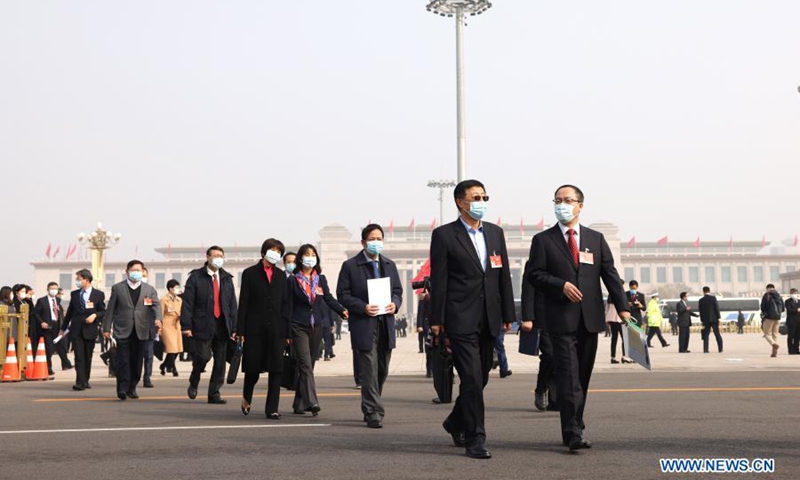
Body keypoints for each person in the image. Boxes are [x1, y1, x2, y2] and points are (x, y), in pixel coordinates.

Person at [526, 184, 630, 452]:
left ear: (580, 205)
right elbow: (534, 275)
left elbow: (610, 274)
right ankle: (573, 431)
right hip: (559, 319)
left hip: (590, 319)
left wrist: (623, 307)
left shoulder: (595, 239)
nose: (562, 204)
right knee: (568, 376)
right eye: (558, 200)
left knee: (582, 377)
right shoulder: (543, 240)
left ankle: (574, 424)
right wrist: (559, 285)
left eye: (568, 200)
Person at [430, 179, 515, 459]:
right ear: (460, 202)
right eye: (475, 197)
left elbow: (502, 275)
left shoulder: (494, 233)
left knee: (481, 380)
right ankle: (475, 438)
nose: (481, 201)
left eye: (484, 196)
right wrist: (437, 318)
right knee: (471, 379)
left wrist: (508, 315)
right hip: (460, 317)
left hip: (489, 317)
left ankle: (454, 422)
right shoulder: (444, 235)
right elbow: (440, 279)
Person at [337, 224, 403, 429]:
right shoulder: (350, 266)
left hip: (385, 323)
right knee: (368, 368)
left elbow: (398, 291)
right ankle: (373, 410)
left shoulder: (389, 265)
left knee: (382, 369)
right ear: (363, 242)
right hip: (364, 324)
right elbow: (343, 295)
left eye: (379, 238)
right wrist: (363, 307)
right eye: (372, 239)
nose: (376, 242)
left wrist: (395, 303)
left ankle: (373, 402)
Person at [288, 243, 348, 416]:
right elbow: (288, 306)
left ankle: (299, 403)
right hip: (298, 326)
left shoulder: (320, 279)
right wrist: (286, 332)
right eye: (307, 254)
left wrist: (342, 310)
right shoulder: (292, 280)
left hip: (317, 326)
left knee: (310, 365)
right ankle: (312, 402)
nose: (310, 257)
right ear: (300, 258)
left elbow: (328, 298)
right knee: (305, 364)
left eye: (313, 254)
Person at [236, 238, 292, 420]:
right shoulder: (249, 273)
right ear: (263, 252)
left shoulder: (281, 275)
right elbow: (243, 303)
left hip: (277, 330)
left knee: (276, 370)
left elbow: (286, 305)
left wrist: (287, 332)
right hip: (254, 329)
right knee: (253, 369)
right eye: (272, 250)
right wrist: (240, 330)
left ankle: (272, 409)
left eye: (279, 251)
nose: (275, 254)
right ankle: (247, 397)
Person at [181, 246, 238, 404]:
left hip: (222, 325)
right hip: (203, 324)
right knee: (203, 356)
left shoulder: (227, 278)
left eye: (221, 255)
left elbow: (232, 304)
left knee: (220, 362)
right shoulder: (196, 277)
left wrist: (235, 328)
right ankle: (194, 379)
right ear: (207, 257)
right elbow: (188, 303)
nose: (219, 258)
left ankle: (214, 393)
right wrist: (186, 326)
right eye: (215, 255)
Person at [102, 260, 162, 400]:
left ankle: (132, 387)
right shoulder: (118, 288)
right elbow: (110, 309)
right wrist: (106, 328)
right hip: (123, 329)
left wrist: (158, 319)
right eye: (133, 270)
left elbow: (156, 306)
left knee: (137, 361)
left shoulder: (149, 289)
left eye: (139, 270)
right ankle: (122, 388)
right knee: (123, 360)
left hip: (142, 330)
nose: (136, 273)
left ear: (143, 272)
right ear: (127, 271)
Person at [520, 260, 558, 412]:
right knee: (549, 355)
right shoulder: (534, 262)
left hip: (563, 317)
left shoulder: (566, 258)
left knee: (561, 358)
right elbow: (527, 290)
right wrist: (527, 317)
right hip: (541, 318)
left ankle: (556, 400)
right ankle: (541, 388)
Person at [60, 269, 106, 391]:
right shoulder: (74, 294)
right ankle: (79, 382)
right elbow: (69, 312)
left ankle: (85, 380)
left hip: (90, 330)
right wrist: (63, 328)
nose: (77, 282)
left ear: (86, 280)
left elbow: (103, 311)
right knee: (78, 356)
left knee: (87, 356)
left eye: (79, 279)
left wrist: (95, 315)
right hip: (76, 330)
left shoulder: (98, 294)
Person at [32, 282, 62, 377]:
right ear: (48, 289)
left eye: (55, 288)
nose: (54, 290)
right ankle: (48, 368)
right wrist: (41, 322)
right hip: (46, 326)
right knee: (48, 348)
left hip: (56, 326)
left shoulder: (58, 299)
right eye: (52, 288)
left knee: (53, 348)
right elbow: (35, 313)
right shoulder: (42, 301)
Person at [159, 280, 183, 376]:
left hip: (176, 325)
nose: (178, 290)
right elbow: (160, 314)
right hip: (167, 325)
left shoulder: (179, 300)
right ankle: (173, 369)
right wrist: (159, 328)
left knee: (177, 349)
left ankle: (164, 365)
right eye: (176, 288)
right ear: (170, 289)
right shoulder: (164, 299)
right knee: (171, 348)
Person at [607, 278, 632, 364]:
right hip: (620, 319)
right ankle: (624, 356)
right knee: (624, 338)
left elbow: (608, 308)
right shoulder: (619, 294)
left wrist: (606, 318)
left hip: (612, 319)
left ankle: (613, 357)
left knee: (614, 338)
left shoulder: (610, 294)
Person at [139, 267, 157, 388]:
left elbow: (155, 308)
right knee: (135, 356)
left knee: (149, 355)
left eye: (145, 275)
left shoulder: (150, 291)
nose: (143, 277)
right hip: (134, 329)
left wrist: (158, 322)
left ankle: (147, 377)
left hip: (148, 328)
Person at [760, 284, 784, 358]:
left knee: (766, 333)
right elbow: (783, 308)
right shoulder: (779, 296)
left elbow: (763, 307)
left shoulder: (766, 295)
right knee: (775, 335)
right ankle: (774, 353)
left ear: (767, 288)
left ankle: (773, 344)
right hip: (777, 318)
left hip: (769, 317)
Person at [698, 286, 723, 353]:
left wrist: (702, 320)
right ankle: (720, 349)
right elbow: (716, 308)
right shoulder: (713, 298)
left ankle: (705, 349)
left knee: (706, 335)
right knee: (717, 334)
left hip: (706, 320)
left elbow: (701, 311)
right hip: (714, 319)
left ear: (703, 291)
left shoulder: (701, 300)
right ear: (709, 291)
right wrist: (718, 318)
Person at [416, 292, 433, 377]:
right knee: (429, 348)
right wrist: (419, 325)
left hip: (438, 325)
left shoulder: (440, 296)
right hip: (427, 326)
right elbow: (420, 313)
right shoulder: (424, 299)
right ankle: (429, 370)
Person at [785, 289, 800, 354]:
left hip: (798, 321)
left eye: (795, 293)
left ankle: (796, 349)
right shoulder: (787, 301)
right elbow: (789, 310)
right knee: (791, 336)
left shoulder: (799, 301)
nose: (794, 294)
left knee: (797, 336)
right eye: (793, 293)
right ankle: (791, 350)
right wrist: (797, 310)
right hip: (791, 321)